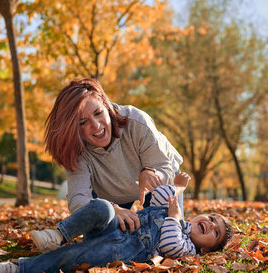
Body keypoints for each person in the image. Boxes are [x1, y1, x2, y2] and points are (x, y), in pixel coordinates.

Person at [0, 173, 233, 273]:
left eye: (216, 232)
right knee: (103, 206)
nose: (210, 225)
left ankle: (16, 269)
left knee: (72, 256)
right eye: (212, 218)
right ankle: (59, 235)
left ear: (207, 250)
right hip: (113, 229)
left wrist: (175, 215)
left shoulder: (188, 248)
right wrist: (179, 189)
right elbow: (159, 195)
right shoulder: (174, 213)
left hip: (117, 252)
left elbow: (169, 244)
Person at [43, 78, 183, 236]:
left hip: (155, 186)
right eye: (83, 122)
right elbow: (79, 199)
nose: (96, 125)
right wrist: (112, 209)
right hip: (108, 194)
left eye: (98, 113)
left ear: (106, 105)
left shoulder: (136, 121)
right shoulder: (75, 149)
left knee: (169, 237)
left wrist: (151, 172)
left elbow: (163, 167)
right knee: (98, 241)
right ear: (73, 128)